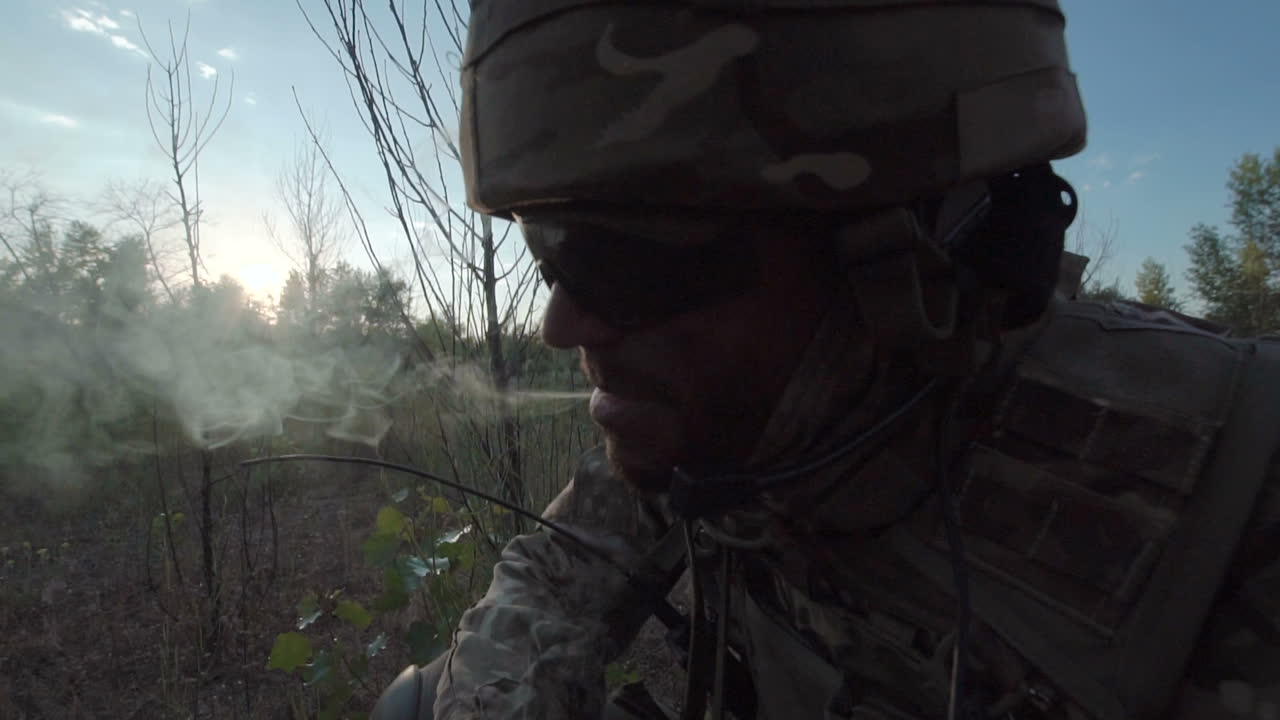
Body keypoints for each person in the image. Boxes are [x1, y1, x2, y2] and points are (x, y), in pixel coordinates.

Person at [373, 1, 1280, 718]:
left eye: (622, 260)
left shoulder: (1238, 504)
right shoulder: (735, 420)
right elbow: (557, 573)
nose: (563, 325)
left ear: (898, 259)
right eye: (549, 251)